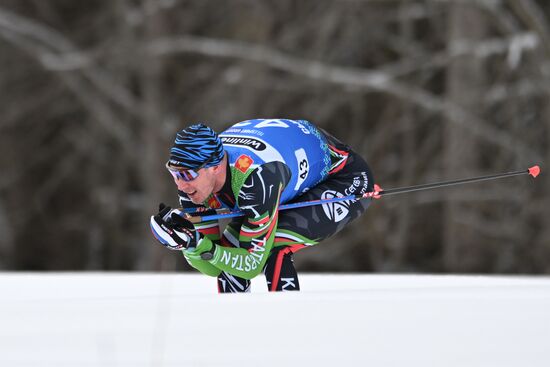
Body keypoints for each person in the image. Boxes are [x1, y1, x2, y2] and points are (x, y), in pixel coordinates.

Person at [150, 119, 374, 292]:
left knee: (274, 247)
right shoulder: (193, 186)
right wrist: (190, 244)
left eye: (188, 174)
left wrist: (200, 245)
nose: (180, 184)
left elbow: (250, 266)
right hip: (284, 172)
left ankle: (284, 331)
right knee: (228, 255)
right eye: (174, 173)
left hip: (343, 177)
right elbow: (214, 266)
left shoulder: (255, 180)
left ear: (215, 167)